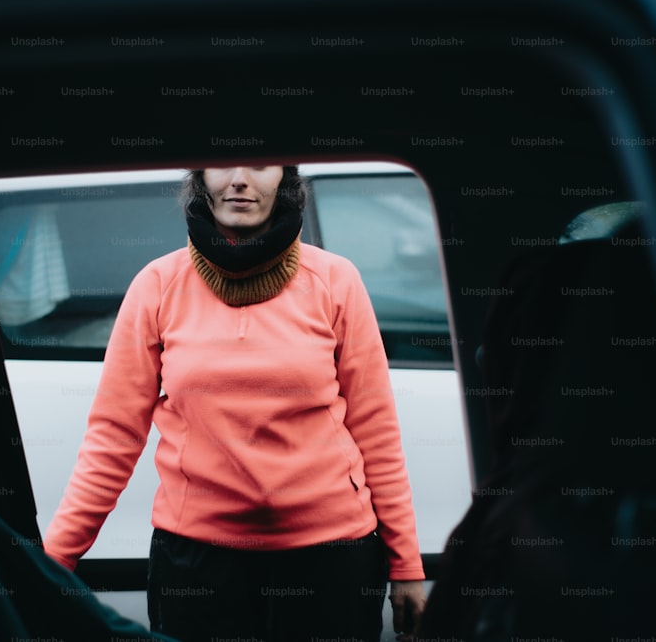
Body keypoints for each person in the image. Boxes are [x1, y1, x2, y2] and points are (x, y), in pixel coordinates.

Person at [44, 165, 426, 641]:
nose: (239, 179)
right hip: (198, 565)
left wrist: (407, 565)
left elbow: (377, 432)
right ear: (200, 177)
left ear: (285, 177)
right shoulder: (158, 284)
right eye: (222, 162)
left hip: (332, 561)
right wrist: (52, 564)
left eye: (261, 162)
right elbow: (113, 438)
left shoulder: (335, 280)